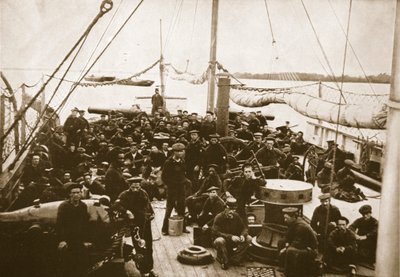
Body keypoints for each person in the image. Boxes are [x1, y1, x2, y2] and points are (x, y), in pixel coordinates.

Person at [117, 177, 158, 277]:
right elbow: (117, 205)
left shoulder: (143, 192)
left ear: (140, 186)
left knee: (149, 247)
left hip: (145, 223)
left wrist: (152, 213)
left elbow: (148, 204)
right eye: (133, 187)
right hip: (135, 225)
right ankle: (143, 271)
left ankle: (149, 268)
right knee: (140, 248)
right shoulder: (124, 195)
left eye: (137, 187)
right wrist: (126, 211)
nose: (135, 189)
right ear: (129, 186)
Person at [56, 182, 91, 277]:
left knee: (81, 264)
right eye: (74, 193)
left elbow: (85, 224)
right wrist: (62, 240)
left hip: (79, 239)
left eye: (78, 192)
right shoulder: (64, 206)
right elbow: (60, 224)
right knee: (67, 265)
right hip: (68, 240)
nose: (76, 195)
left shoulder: (83, 206)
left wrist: (86, 240)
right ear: (70, 194)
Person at [212, 198, 252, 270]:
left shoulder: (236, 216)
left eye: (233, 210)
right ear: (225, 208)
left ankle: (235, 259)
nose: (232, 212)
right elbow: (215, 232)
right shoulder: (219, 217)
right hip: (223, 241)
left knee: (249, 238)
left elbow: (244, 228)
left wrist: (242, 235)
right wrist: (230, 237)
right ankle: (225, 260)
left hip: (234, 239)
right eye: (230, 209)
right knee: (219, 241)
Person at [161, 143, 191, 235]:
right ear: (174, 152)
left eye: (182, 151)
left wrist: (185, 181)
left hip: (181, 188)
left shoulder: (182, 161)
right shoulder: (168, 162)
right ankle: (164, 229)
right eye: (178, 151)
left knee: (182, 207)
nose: (181, 153)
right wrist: (170, 185)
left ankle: (183, 227)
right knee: (169, 208)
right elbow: (164, 177)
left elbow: (183, 174)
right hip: (172, 189)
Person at [279, 207, 318, 277]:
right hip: (302, 245)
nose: (285, 220)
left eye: (286, 218)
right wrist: (286, 243)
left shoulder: (301, 226)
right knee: (281, 242)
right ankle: (283, 267)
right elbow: (288, 236)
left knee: (290, 251)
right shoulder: (294, 222)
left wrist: (286, 248)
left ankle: (289, 274)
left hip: (310, 249)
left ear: (293, 217)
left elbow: (298, 243)